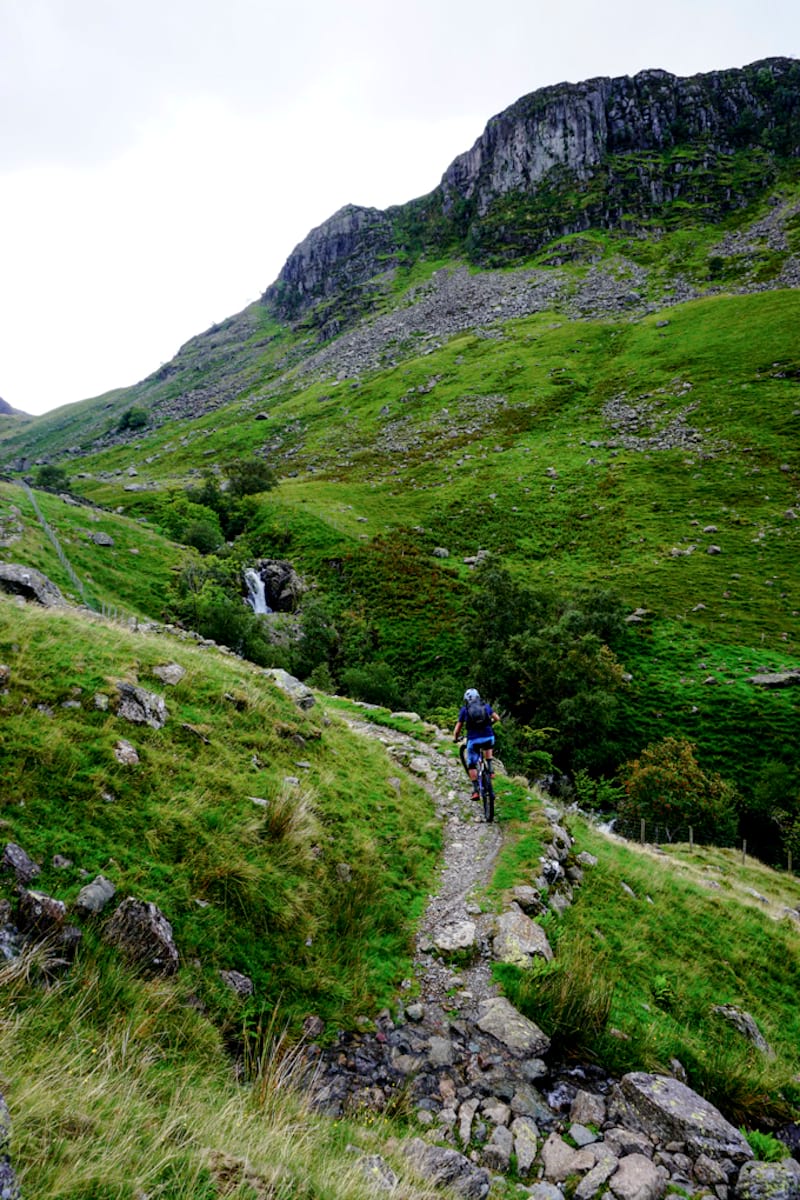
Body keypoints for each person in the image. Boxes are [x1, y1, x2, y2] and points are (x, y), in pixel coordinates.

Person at [453, 688, 499, 801]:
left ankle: (475, 791)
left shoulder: (464, 710)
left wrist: (456, 738)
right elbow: (497, 718)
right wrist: (490, 723)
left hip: (473, 740)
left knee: (472, 764)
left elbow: (458, 729)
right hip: (489, 737)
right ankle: (491, 770)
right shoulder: (486, 706)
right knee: (488, 745)